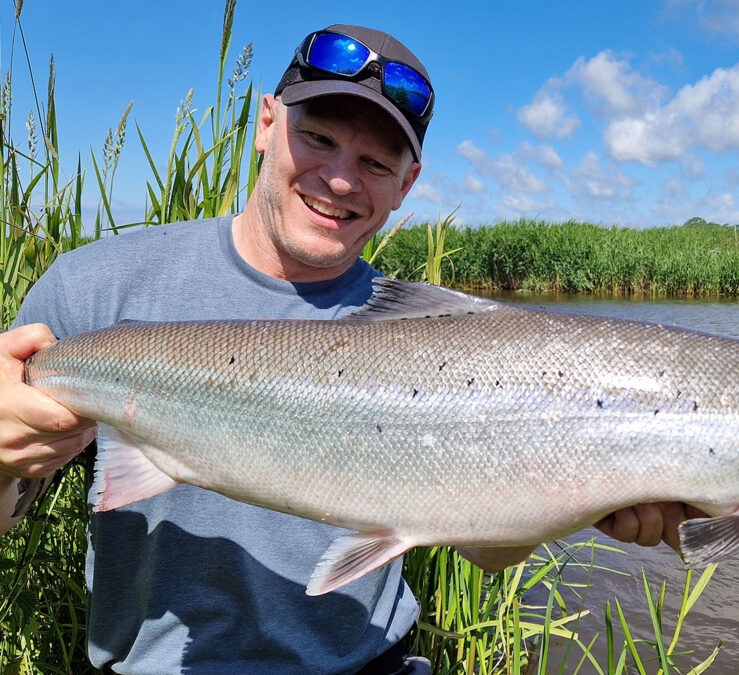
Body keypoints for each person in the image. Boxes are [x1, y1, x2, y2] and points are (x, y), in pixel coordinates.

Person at [0, 24, 701, 673]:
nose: (340, 179)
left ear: (407, 186)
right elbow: (12, 505)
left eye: (374, 161)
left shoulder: (435, 338)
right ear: (267, 125)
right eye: (321, 138)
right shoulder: (97, 289)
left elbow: (487, 547)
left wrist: (591, 497)